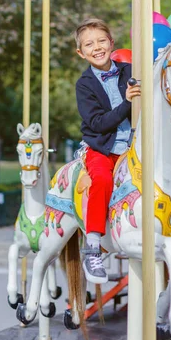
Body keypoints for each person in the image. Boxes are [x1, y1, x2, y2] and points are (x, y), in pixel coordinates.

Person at [74, 18, 141, 283]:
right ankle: (92, 245)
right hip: (101, 147)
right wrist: (126, 103)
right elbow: (98, 123)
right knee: (101, 179)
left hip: (131, 148)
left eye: (102, 41)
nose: (97, 47)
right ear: (81, 53)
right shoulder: (85, 85)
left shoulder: (129, 71)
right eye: (89, 44)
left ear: (112, 43)